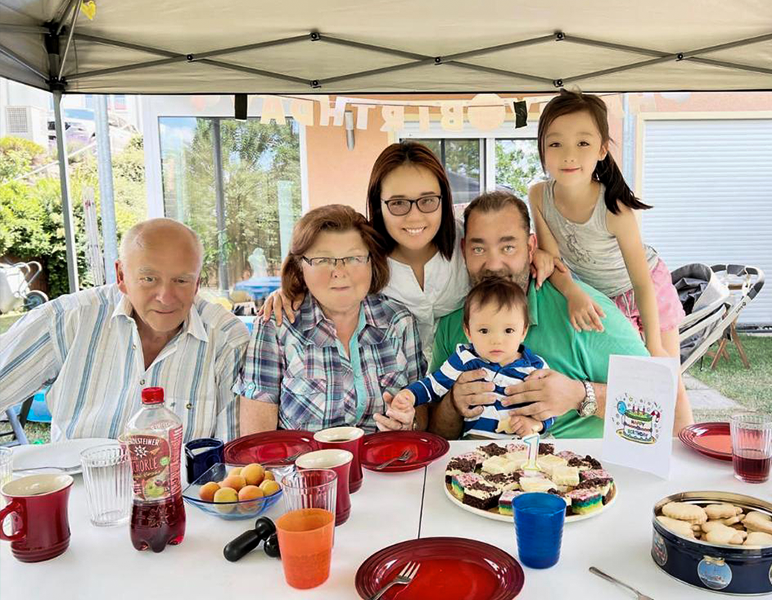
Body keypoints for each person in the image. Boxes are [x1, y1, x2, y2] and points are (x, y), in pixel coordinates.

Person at [417, 190, 693, 439]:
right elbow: (438, 434)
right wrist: (453, 405)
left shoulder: (582, 310)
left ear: (530, 247)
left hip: (574, 478)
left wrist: (582, 395)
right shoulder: (454, 321)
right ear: (464, 250)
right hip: (475, 478)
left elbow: (658, 398)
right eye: (479, 248)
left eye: (508, 247)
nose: (493, 264)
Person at [262, 141, 558, 361]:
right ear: (378, 204)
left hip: (466, 382)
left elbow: (508, 251)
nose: (415, 217)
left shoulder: (465, 240)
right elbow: (324, 270)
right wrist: (288, 290)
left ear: (444, 197)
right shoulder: (362, 257)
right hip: (398, 397)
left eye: (428, 200)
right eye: (398, 203)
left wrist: (541, 255)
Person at [0, 218, 249, 442]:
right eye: (149, 279)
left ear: (197, 284)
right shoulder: (66, 319)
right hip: (79, 491)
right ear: (121, 275)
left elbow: (233, 461)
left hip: (184, 493)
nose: (165, 297)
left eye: (181, 280)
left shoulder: (227, 339)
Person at [528, 89, 693, 427]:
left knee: (667, 379)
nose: (569, 154)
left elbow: (642, 283)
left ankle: (684, 455)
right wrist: (574, 293)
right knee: (630, 383)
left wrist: (654, 345)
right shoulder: (539, 195)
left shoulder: (615, 210)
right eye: (555, 143)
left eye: (583, 143)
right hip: (596, 295)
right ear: (543, 150)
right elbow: (552, 259)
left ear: (603, 149)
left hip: (646, 289)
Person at [235, 204, 427, 434]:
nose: (339, 271)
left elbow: (422, 415)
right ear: (300, 266)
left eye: (354, 258)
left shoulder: (399, 322)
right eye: (323, 259)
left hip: (385, 465)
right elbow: (257, 440)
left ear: (372, 262)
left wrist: (409, 423)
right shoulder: (275, 326)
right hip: (302, 467)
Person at [392, 277, 551, 439]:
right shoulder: (465, 359)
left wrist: (537, 424)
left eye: (508, 330)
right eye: (484, 331)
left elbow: (549, 406)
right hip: (474, 446)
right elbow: (433, 385)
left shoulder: (535, 367)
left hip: (522, 448)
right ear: (468, 332)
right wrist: (408, 396)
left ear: (523, 332)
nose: (496, 340)